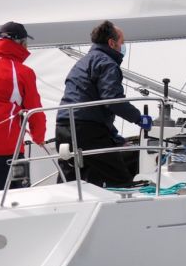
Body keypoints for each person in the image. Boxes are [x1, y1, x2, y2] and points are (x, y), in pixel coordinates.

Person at [55, 21, 152, 188]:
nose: (123, 46)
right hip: (87, 132)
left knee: (70, 184)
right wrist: (139, 119)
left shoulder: (83, 62)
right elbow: (113, 100)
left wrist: (115, 138)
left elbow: (92, 105)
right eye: (122, 42)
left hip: (64, 128)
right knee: (121, 179)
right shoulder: (107, 63)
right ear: (112, 43)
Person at [0, 22, 46, 189]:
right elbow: (35, 111)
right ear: (20, 43)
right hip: (7, 152)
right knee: (14, 198)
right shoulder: (23, 72)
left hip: (6, 151)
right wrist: (39, 137)